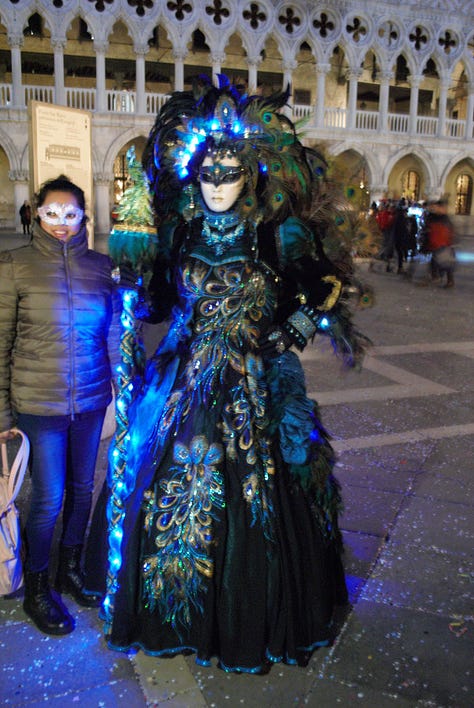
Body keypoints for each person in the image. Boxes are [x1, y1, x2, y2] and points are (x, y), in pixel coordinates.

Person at [85, 78, 368, 673]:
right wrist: (135, 289)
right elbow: (164, 300)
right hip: (185, 376)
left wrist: (296, 324)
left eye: (228, 174)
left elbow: (324, 283)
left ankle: (246, 618)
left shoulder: (274, 231)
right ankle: (171, 614)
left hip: (252, 377)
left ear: (249, 175)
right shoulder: (184, 230)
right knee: (156, 479)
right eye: (208, 174)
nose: (217, 185)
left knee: (262, 495)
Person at [0, 175, 121, 636]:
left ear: (83, 217)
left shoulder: (100, 267)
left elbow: (112, 332)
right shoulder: (13, 265)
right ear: (36, 213)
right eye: (51, 213)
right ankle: (36, 587)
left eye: (71, 214)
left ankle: (69, 570)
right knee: (48, 499)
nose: (61, 223)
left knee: (83, 489)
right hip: (39, 404)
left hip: (89, 400)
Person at [423, 199, 456, 287]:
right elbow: (429, 230)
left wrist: (450, 242)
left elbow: (448, 231)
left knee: (445, 263)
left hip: (443, 244)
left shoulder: (443, 218)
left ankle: (443, 279)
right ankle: (439, 277)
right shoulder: (433, 217)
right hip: (437, 244)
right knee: (437, 261)